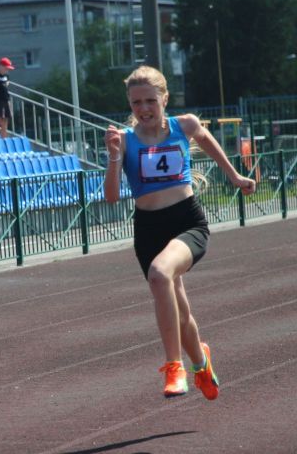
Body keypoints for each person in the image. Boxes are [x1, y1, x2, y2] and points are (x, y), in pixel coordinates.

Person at [103, 65, 256, 399]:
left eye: (150, 101)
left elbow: (206, 139)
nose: (144, 109)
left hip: (187, 222)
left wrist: (235, 176)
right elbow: (111, 197)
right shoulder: (125, 141)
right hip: (148, 229)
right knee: (180, 312)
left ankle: (175, 367)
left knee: (160, 274)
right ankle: (202, 363)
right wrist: (114, 158)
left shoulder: (183, 125)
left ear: (164, 99)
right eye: (136, 103)